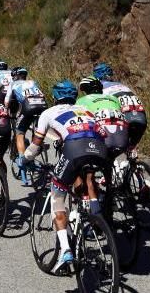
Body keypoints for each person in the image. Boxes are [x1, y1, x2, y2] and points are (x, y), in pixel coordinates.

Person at [23, 80, 108, 272]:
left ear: (55, 97)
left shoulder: (48, 113)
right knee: (86, 178)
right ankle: (92, 213)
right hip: (99, 148)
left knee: (58, 194)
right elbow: (101, 133)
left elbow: (36, 145)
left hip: (74, 149)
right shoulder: (85, 110)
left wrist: (24, 159)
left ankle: (65, 250)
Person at [5, 67, 48, 185]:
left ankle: (22, 160)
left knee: (19, 133)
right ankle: (37, 147)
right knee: (38, 132)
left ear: (15, 76)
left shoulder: (13, 84)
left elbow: (7, 102)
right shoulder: (33, 82)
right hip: (43, 106)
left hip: (29, 107)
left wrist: (6, 111)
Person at [93, 63, 148, 148]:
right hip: (141, 117)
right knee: (131, 146)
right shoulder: (122, 86)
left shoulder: (101, 88)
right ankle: (132, 150)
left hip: (124, 118)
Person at [76, 76, 129, 160]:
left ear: (86, 90)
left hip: (102, 137)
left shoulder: (81, 101)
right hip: (122, 135)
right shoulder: (114, 98)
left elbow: (79, 122)